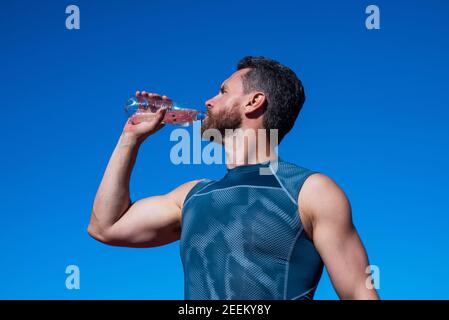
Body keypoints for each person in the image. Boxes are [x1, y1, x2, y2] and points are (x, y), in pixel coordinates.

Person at [88, 56, 379, 300]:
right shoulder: (191, 196)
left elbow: (358, 293)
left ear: (253, 102)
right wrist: (130, 139)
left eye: (223, 92)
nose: (209, 101)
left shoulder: (309, 190)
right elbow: (105, 226)